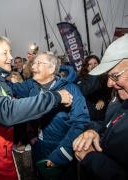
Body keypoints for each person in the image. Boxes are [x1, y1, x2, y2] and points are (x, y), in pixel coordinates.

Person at [0, 36, 73, 180]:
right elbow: (7, 112)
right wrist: (55, 97)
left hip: (2, 154)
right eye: (5, 53)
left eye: (10, 52)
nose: (10, 57)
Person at [10, 52, 90, 179]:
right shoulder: (32, 86)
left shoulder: (71, 89)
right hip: (38, 148)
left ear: (51, 68)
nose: (33, 67)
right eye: (33, 63)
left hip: (60, 150)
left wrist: (61, 155)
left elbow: (81, 122)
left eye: (38, 63)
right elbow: (11, 88)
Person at [73, 34, 128, 180]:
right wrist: (94, 130)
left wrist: (90, 158)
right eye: (108, 76)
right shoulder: (121, 100)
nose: (110, 83)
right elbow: (110, 125)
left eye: (115, 75)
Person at [76, 55, 111, 122]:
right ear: (86, 66)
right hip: (87, 115)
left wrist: (103, 100)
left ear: (99, 64)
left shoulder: (104, 78)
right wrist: (93, 74)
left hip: (102, 114)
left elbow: (108, 93)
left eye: (95, 63)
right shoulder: (80, 78)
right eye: (90, 64)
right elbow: (84, 91)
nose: (93, 66)